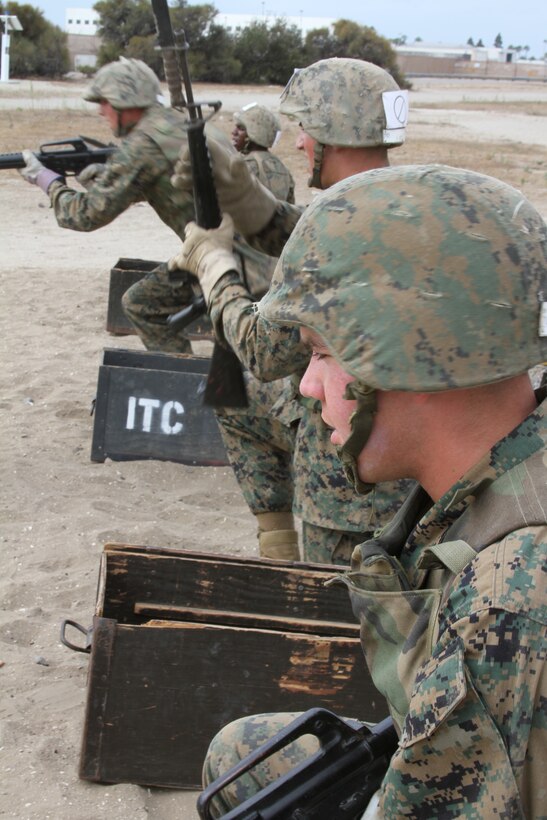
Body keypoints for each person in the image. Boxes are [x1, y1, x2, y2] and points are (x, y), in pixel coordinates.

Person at [183, 165, 547, 816]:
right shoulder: (511, 471)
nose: (306, 385)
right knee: (244, 754)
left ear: (407, 356)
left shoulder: (509, 597)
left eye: (321, 352)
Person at [171, 58, 413, 563]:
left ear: (331, 132)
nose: (299, 141)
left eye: (305, 127)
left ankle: (284, 564)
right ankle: (277, 551)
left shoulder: (339, 228)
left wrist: (213, 266)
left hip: (354, 478)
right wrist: (246, 197)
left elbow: (262, 351)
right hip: (412, 441)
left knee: (233, 384)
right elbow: (314, 233)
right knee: (234, 401)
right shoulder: (402, 200)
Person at [18, 57, 273, 353]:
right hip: (255, 250)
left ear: (123, 101)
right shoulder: (180, 123)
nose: (100, 110)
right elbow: (172, 185)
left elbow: (84, 215)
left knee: (141, 304)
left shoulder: (143, 144)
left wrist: (47, 181)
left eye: (104, 102)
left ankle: (179, 372)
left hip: (226, 259)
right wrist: (107, 180)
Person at [231, 103, 295, 203]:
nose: (234, 132)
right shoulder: (283, 169)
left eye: (241, 129)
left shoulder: (246, 166)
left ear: (254, 134)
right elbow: (290, 207)